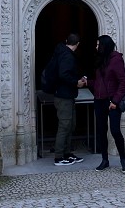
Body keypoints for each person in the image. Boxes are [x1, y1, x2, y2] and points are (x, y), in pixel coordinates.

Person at [87, 35, 125, 173]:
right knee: (101, 131)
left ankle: (123, 159)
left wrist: (115, 101)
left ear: (104, 46)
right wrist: (87, 82)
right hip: (99, 100)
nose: (96, 47)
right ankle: (104, 160)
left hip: (112, 101)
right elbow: (99, 83)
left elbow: (123, 82)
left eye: (98, 44)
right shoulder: (100, 60)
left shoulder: (116, 60)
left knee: (115, 131)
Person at [46, 33, 85, 166]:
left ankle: (67, 153)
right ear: (78, 44)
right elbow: (64, 74)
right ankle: (59, 156)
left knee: (70, 124)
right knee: (64, 126)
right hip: (64, 96)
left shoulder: (61, 52)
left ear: (66, 40)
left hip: (66, 95)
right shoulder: (67, 56)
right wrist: (76, 82)